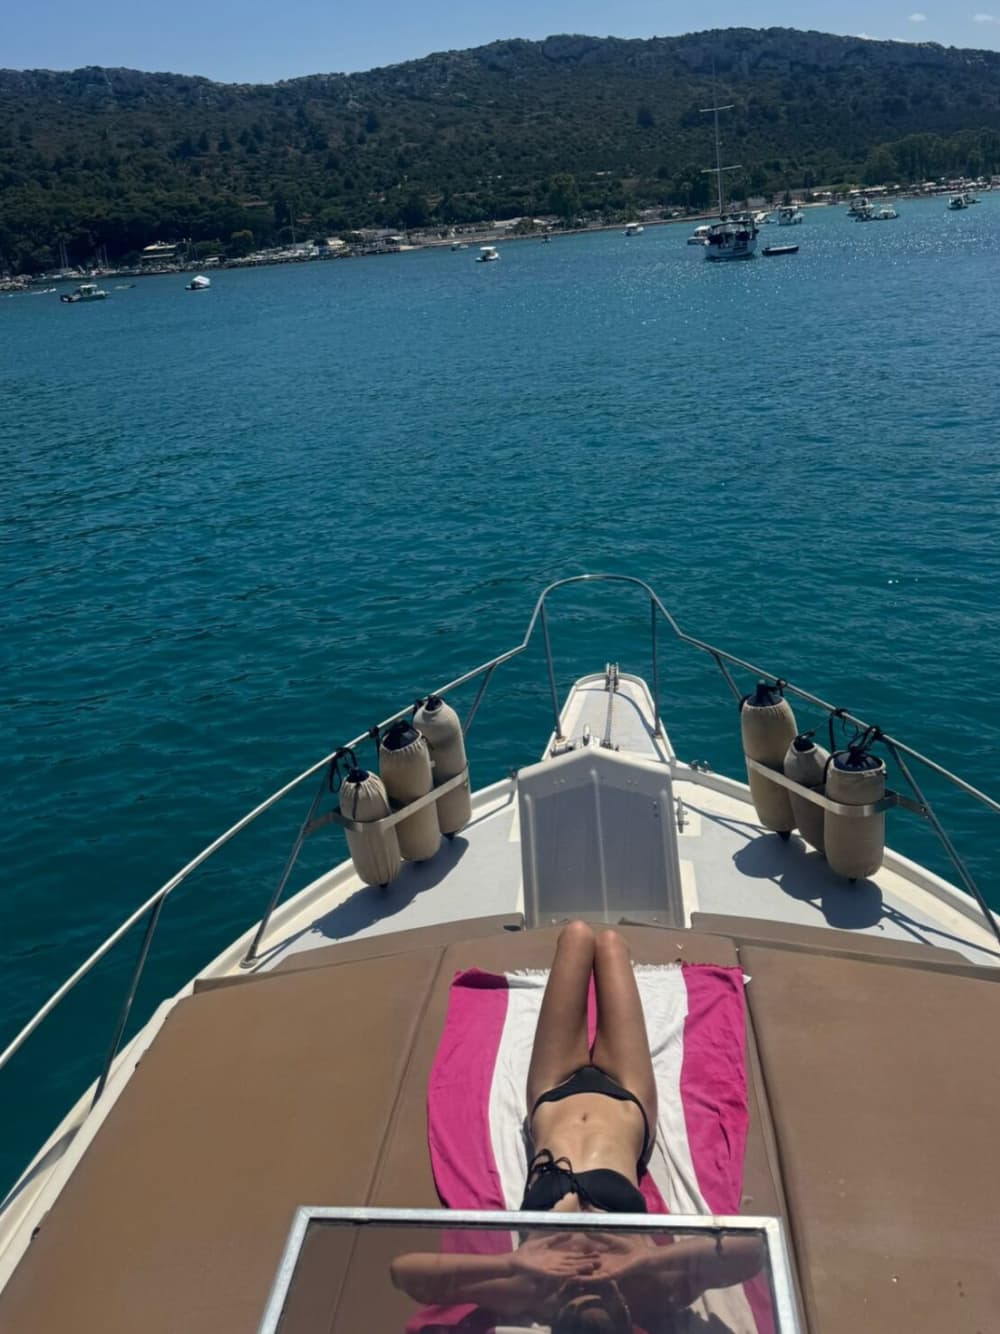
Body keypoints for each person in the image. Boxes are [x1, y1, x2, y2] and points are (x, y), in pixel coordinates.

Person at [522, 920, 656, 1215]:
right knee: (610, 944)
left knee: (575, 935)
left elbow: (407, 1263)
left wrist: (512, 1263)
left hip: (552, 1094)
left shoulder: (536, 1251)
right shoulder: (633, 1252)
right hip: (626, 1099)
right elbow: (741, 1247)